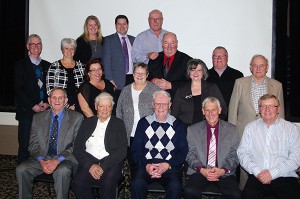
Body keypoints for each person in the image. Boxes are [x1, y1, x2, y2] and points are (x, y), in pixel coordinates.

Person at [228, 54, 285, 188]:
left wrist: (280, 132)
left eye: (261, 65)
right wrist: (232, 132)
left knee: (267, 160)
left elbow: (280, 112)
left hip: (269, 131)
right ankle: (245, 190)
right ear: (250, 67)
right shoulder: (240, 83)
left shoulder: (277, 85)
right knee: (245, 162)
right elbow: (232, 109)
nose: (258, 68)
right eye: (255, 65)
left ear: (267, 67)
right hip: (243, 131)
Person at [16, 88, 84, 199]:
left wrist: (57, 160)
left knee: (62, 171)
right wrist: (42, 161)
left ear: (66, 100)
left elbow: (77, 146)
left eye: (60, 97)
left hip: (64, 158)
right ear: (49, 100)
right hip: (42, 158)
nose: (57, 100)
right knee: (21, 169)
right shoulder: (38, 118)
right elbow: (33, 144)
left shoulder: (77, 118)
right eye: (54, 97)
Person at [237, 94, 300, 199]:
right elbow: (242, 153)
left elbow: (296, 157)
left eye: (271, 106)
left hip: (284, 177)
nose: (267, 109)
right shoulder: (250, 128)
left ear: (278, 109)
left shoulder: (291, 129)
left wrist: (272, 173)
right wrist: (257, 172)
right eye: (263, 106)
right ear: (259, 109)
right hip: (258, 176)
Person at [131, 90, 188, 199]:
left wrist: (167, 165)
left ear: (169, 105)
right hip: (146, 165)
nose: (161, 107)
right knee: (137, 184)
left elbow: (182, 151)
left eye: (164, 104)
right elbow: (135, 149)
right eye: (158, 104)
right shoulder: (143, 123)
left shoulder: (178, 125)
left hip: (169, 166)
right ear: (153, 105)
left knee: (175, 187)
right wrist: (146, 165)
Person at [72, 92, 127, 199]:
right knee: (78, 184)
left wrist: (103, 166)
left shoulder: (119, 124)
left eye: (108, 106)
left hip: (110, 162)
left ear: (112, 107)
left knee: (108, 184)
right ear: (96, 107)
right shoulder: (86, 123)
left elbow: (122, 151)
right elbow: (77, 148)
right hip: (89, 161)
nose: (105, 109)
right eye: (101, 106)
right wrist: (90, 165)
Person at [183, 97, 241, 199]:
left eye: (213, 110)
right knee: (189, 191)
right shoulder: (193, 130)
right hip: (200, 171)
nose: (210, 114)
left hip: (223, 171)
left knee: (234, 194)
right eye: (207, 110)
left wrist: (222, 170)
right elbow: (189, 153)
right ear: (203, 111)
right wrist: (202, 169)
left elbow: (235, 154)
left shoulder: (232, 129)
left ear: (219, 110)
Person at [116, 62, 160, 172]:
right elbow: (119, 112)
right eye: (137, 73)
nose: (140, 76)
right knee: (134, 166)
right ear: (133, 74)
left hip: (151, 135)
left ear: (147, 74)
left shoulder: (155, 89)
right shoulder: (125, 90)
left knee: (149, 164)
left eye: (143, 73)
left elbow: (163, 110)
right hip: (129, 134)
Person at [15, 34, 50, 164]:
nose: (36, 46)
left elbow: (51, 88)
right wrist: (33, 105)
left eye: (39, 44)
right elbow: (18, 90)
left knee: (42, 146)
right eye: (33, 44)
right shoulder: (20, 65)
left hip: (45, 112)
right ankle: (22, 177)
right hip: (27, 112)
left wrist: (47, 103)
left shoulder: (48, 65)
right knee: (25, 146)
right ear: (27, 47)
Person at [172, 59, 227, 126]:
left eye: (199, 70)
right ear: (189, 72)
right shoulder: (181, 90)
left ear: (203, 72)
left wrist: (214, 125)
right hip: (186, 129)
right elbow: (174, 114)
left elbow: (223, 110)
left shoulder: (212, 87)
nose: (196, 73)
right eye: (193, 70)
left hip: (207, 127)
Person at [148, 32, 192, 98]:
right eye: (166, 43)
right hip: (156, 101)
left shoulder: (187, 60)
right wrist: (153, 80)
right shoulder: (154, 58)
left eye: (172, 43)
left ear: (177, 43)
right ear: (162, 44)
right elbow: (146, 77)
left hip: (179, 101)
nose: (169, 46)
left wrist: (171, 85)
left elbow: (192, 82)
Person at [103, 15, 135, 101]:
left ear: (127, 25)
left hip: (132, 78)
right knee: (117, 106)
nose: (122, 26)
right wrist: (109, 79)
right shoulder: (108, 40)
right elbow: (106, 61)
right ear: (115, 25)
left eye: (124, 24)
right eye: (119, 24)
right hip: (116, 80)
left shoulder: (134, 40)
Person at [46, 38, 85, 111]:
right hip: (59, 106)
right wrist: (67, 105)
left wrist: (77, 105)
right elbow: (50, 90)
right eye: (66, 48)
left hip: (79, 106)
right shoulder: (54, 66)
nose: (69, 51)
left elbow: (85, 88)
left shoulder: (81, 67)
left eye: (72, 48)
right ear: (62, 50)